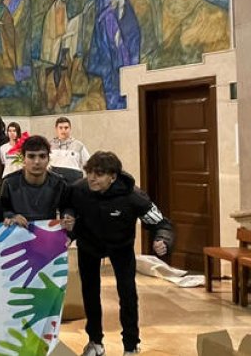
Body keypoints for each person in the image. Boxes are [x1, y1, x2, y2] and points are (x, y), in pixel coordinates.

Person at [62, 151, 174, 356]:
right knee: (90, 293)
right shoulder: (78, 190)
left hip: (121, 247)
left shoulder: (133, 196)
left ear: (112, 177)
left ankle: (131, 345)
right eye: (90, 173)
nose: (93, 178)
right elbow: (68, 207)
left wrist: (162, 240)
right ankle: (95, 342)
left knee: (128, 294)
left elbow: (161, 223)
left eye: (99, 174)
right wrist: (69, 222)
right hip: (88, 245)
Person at [0, 135, 67, 226]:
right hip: (17, 234)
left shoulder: (59, 183)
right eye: (31, 156)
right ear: (23, 159)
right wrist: (11, 216)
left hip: (48, 235)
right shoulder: (8, 183)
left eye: (42, 156)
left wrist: (68, 217)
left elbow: (68, 208)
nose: (37, 162)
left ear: (48, 159)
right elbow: (1, 210)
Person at [50, 116, 92, 183]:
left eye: (66, 128)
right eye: (60, 128)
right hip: (55, 182)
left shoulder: (79, 145)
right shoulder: (49, 145)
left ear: (70, 129)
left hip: (73, 182)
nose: (63, 130)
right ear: (56, 129)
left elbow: (89, 164)